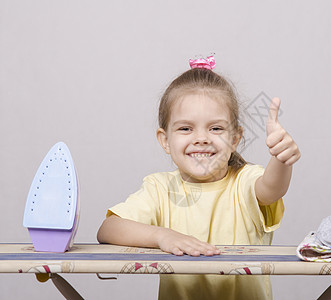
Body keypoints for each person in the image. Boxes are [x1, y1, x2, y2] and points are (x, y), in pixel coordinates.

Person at [97, 55, 301, 300]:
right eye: (186, 128)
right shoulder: (160, 188)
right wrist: (163, 236)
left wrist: (281, 158)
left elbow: (272, 188)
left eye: (215, 128)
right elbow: (109, 229)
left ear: (235, 138)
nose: (201, 138)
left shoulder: (245, 181)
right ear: (165, 140)